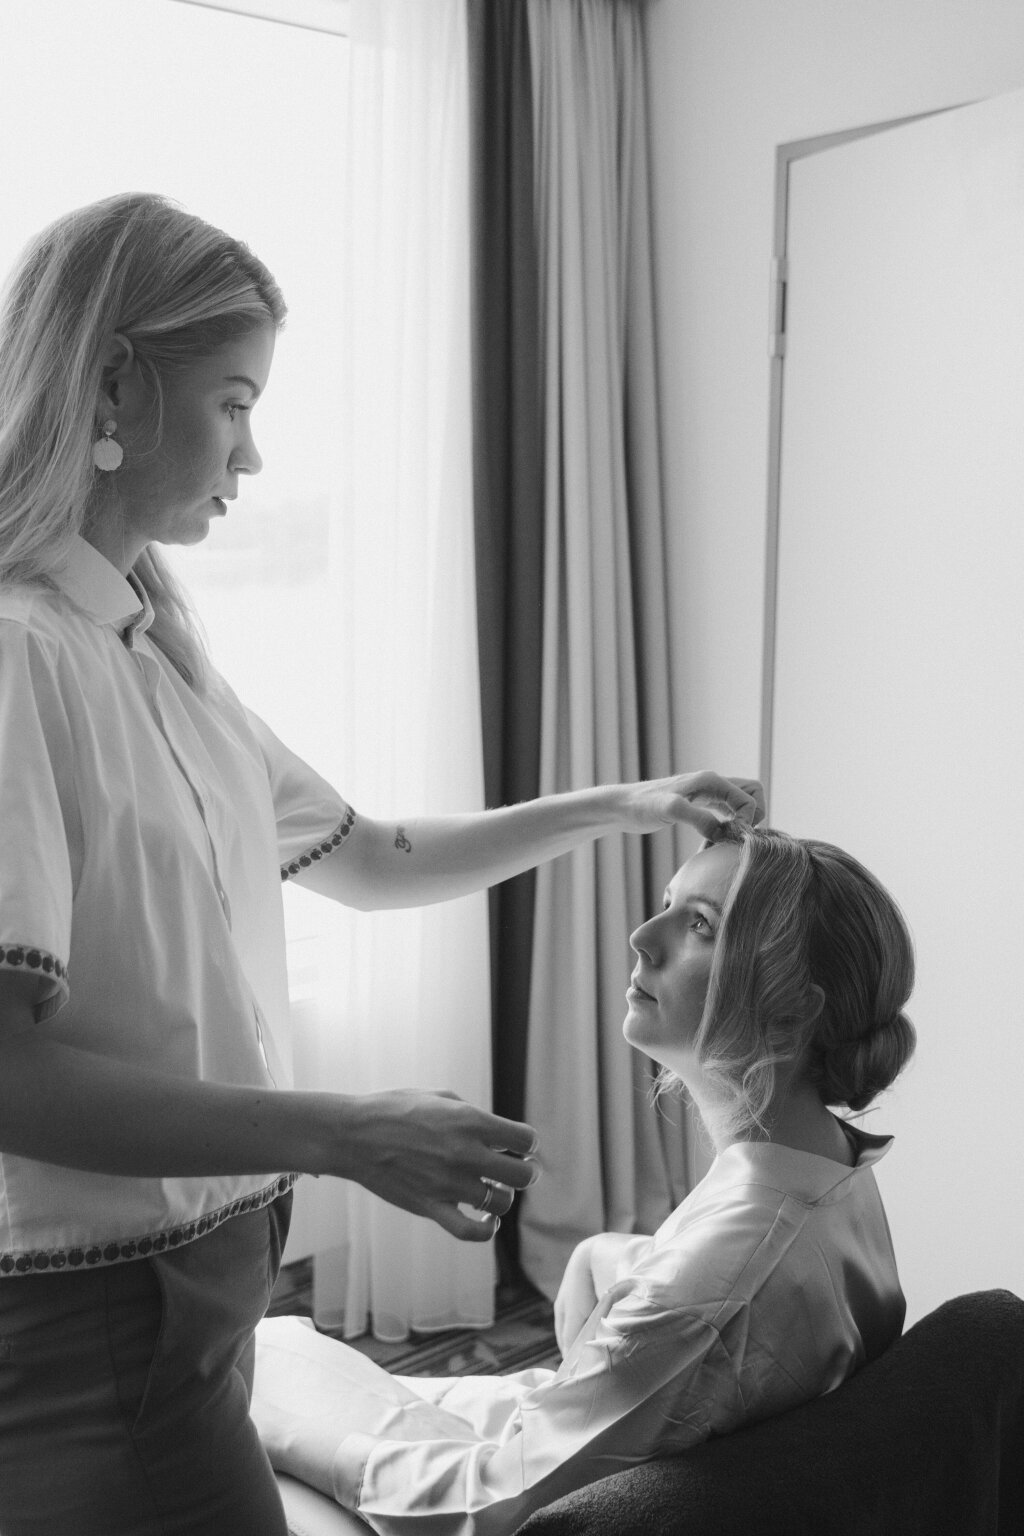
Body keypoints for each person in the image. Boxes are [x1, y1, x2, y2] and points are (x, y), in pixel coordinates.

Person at [0, 191, 764, 1536]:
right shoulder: (22, 658)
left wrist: (625, 802)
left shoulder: (161, 660)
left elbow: (378, 855)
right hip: (94, 1324)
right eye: (233, 403)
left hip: (205, 1292)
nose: (250, 453)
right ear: (114, 379)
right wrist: (347, 1134)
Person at [252, 818, 917, 1535]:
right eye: (667, 902)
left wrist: (285, 1434)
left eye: (698, 923)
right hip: (610, 1459)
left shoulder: (704, 1287)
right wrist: (615, 1255)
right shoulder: (831, 1166)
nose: (642, 935)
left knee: (242, 1407)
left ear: (790, 1018)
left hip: (526, 1507)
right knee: (270, 1354)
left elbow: (487, 1508)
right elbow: (746, 1312)